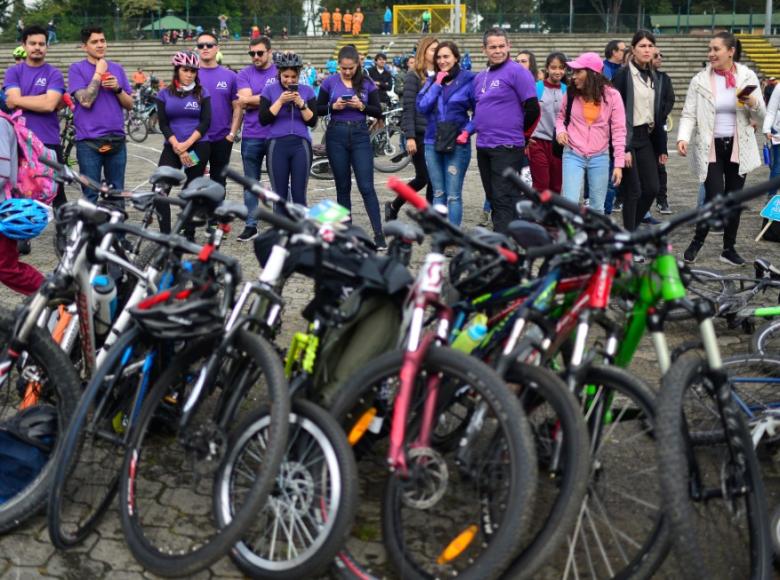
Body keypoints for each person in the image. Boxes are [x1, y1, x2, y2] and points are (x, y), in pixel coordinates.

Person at [678, 31, 766, 266]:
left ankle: (728, 248)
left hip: (739, 145)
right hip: (711, 147)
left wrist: (754, 103)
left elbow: (761, 114)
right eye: (710, 49)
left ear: (730, 51)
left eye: (716, 49)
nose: (711, 54)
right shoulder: (700, 80)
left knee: (734, 200)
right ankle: (697, 241)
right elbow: (688, 113)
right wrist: (682, 138)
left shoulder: (746, 77)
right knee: (714, 197)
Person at [317, 45, 385, 249]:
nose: (347, 72)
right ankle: (347, 234)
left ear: (358, 65)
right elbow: (317, 110)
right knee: (343, 186)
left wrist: (361, 106)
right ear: (338, 65)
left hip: (359, 134)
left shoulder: (366, 83)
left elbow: (378, 111)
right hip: (336, 134)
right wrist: (332, 107)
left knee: (366, 186)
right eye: (343, 68)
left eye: (351, 68)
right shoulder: (329, 82)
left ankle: (379, 234)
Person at [472, 27, 540, 234]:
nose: (498, 50)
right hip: (484, 146)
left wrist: (522, 135)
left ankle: (503, 246)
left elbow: (533, 108)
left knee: (503, 197)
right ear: (484, 50)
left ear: (509, 46)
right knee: (493, 196)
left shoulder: (518, 72)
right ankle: (511, 237)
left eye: (502, 46)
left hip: (507, 146)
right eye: (493, 47)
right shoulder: (480, 77)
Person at [5, 25, 67, 211]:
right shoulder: (13, 72)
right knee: (20, 190)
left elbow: (49, 104)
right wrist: (44, 97)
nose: (37, 47)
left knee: (58, 192)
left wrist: (20, 100)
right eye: (33, 43)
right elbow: (10, 102)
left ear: (47, 47)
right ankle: (22, 238)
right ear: (24, 45)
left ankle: (63, 235)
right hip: (19, 142)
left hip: (48, 141)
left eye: (42, 44)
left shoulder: (53, 73)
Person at [68, 26, 133, 203]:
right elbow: (86, 101)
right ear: (84, 46)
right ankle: (91, 231)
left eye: (102, 41)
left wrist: (118, 89)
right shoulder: (76, 69)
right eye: (94, 42)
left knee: (116, 194)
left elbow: (130, 105)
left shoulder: (117, 69)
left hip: (116, 141)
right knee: (90, 195)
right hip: (89, 143)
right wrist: (99, 72)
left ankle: (116, 231)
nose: (100, 45)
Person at [555, 53, 625, 212]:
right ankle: (570, 237)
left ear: (593, 74)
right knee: (569, 205)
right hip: (572, 153)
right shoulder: (571, 93)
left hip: (600, 156)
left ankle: (593, 237)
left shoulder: (613, 96)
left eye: (579, 72)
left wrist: (619, 164)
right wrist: (560, 131)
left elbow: (619, 130)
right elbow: (560, 117)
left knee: (597, 207)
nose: (574, 76)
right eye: (573, 72)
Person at [612, 30, 666, 231]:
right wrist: (623, 148)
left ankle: (629, 232)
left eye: (650, 46)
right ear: (633, 49)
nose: (647, 50)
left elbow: (657, 114)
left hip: (646, 138)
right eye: (642, 46)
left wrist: (661, 148)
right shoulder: (622, 76)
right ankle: (629, 238)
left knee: (652, 187)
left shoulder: (654, 76)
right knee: (633, 191)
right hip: (627, 137)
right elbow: (615, 114)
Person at [416, 41, 475, 226]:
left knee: (453, 195)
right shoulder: (432, 80)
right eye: (439, 57)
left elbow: (480, 111)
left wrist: (467, 131)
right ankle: (440, 234)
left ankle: (453, 238)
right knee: (438, 193)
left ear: (456, 58)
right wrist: (437, 83)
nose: (442, 60)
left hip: (457, 143)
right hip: (432, 142)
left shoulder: (469, 79)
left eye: (446, 56)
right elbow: (422, 107)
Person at [155, 51, 211, 233]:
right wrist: (178, 147)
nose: (189, 74)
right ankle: (165, 234)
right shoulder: (164, 94)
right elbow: (163, 123)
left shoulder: (202, 93)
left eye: (193, 71)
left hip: (197, 147)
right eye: (186, 70)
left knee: (191, 189)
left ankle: (189, 231)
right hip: (173, 147)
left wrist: (186, 146)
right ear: (177, 70)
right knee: (160, 189)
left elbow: (205, 122)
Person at [387, 36, 438, 220]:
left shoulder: (443, 74)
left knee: (435, 180)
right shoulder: (413, 75)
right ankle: (394, 205)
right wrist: (410, 136)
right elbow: (408, 107)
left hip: (438, 135)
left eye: (438, 50)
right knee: (423, 178)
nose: (436, 53)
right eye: (433, 49)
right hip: (419, 134)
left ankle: (431, 217)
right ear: (423, 52)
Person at [259, 52, 318, 206]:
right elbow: (264, 119)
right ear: (279, 73)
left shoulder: (307, 91)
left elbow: (312, 122)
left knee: (299, 195)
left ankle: (300, 229)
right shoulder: (269, 90)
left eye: (294, 77)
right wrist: (279, 101)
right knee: (279, 196)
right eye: (286, 76)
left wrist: (301, 104)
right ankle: (281, 230)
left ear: (299, 75)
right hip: (276, 145)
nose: (289, 80)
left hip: (301, 146)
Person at [236, 35, 277, 242]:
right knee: (250, 183)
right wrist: (269, 97)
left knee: (278, 180)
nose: (255, 57)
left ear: (269, 52)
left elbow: (281, 95)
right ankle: (251, 225)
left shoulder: (280, 71)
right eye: (252, 53)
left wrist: (255, 98)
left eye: (260, 53)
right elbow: (243, 101)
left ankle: (280, 223)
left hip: (276, 135)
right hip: (251, 134)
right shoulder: (244, 73)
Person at [195, 32, 240, 200]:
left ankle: (216, 220)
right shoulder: (189, 74)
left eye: (209, 45)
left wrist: (232, 134)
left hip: (222, 139)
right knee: (194, 179)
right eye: (201, 45)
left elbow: (237, 107)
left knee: (219, 180)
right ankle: (192, 222)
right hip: (195, 139)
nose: (205, 48)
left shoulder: (230, 76)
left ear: (217, 48)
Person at [528, 52, 567, 194]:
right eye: (554, 67)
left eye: (561, 68)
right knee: (541, 183)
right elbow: (525, 112)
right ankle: (538, 215)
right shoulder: (536, 88)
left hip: (559, 144)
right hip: (537, 142)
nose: (557, 71)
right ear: (547, 68)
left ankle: (552, 215)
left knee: (556, 186)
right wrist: (525, 135)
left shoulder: (567, 91)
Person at [652, 49, 675, 215]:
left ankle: (662, 199)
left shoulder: (664, 78)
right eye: (656, 55)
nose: (660, 58)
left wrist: (660, 116)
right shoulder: (633, 77)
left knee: (660, 164)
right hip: (638, 128)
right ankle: (623, 198)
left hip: (659, 127)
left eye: (661, 55)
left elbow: (670, 99)